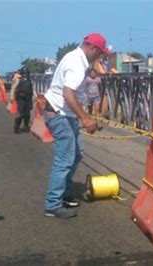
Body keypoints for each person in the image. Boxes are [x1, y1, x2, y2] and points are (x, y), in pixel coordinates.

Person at [43, 33, 110, 219]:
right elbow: (68, 93)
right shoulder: (76, 64)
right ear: (94, 49)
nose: (99, 58)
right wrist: (86, 120)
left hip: (65, 114)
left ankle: (63, 194)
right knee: (64, 159)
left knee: (77, 153)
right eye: (100, 54)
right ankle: (53, 204)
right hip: (59, 114)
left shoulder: (76, 59)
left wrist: (85, 117)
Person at [10, 67, 36, 134]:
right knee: (20, 114)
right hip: (20, 98)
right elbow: (13, 88)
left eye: (26, 73)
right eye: (24, 73)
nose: (25, 75)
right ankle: (16, 128)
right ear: (21, 74)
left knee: (27, 114)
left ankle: (26, 126)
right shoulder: (18, 80)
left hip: (28, 98)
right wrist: (11, 97)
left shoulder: (31, 81)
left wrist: (35, 97)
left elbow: (33, 89)